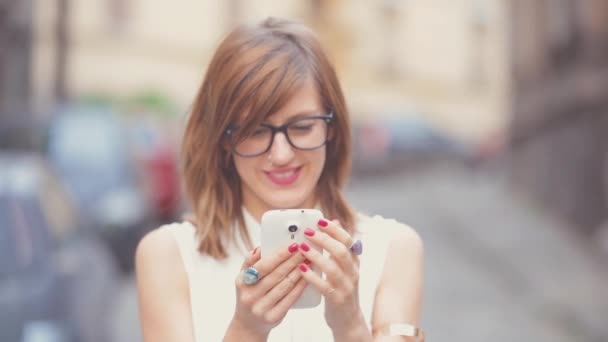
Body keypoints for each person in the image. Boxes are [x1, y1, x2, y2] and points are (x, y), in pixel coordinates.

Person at [135, 17, 424, 342]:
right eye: (256, 131)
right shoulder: (168, 255)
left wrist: (350, 324)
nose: (282, 154)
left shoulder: (393, 248)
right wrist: (246, 330)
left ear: (332, 127)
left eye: (302, 127)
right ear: (224, 139)